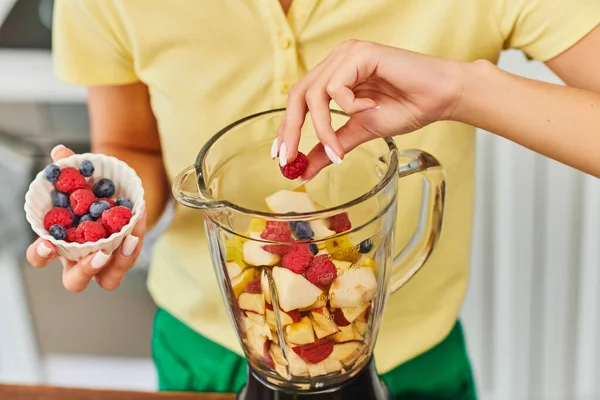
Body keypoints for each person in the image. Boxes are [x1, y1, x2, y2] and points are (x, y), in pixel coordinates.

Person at [25, 1, 600, 399]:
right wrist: (117, 216)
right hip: (206, 345)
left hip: (410, 353)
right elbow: (130, 146)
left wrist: (464, 88)